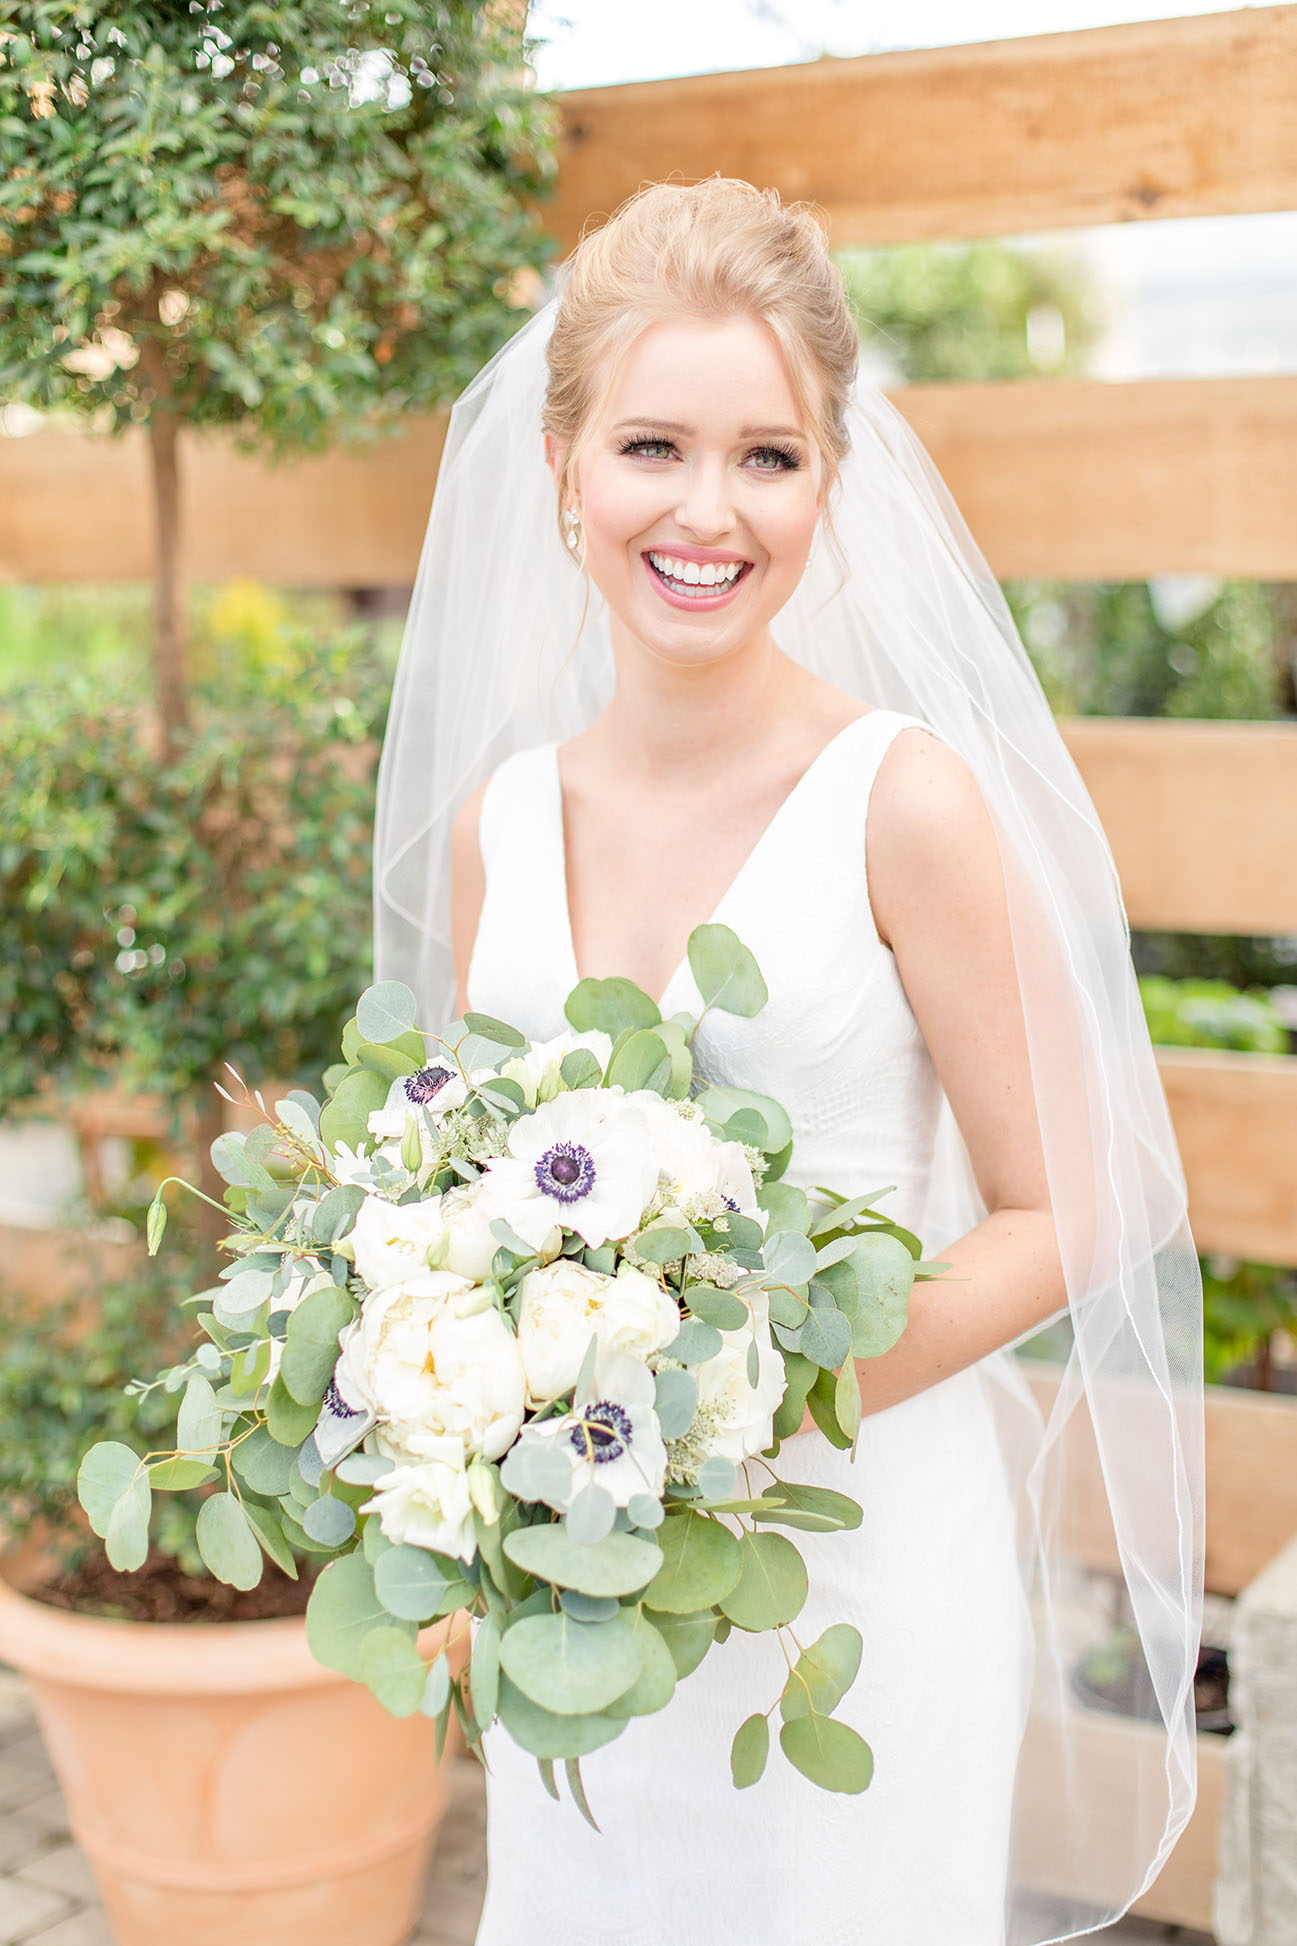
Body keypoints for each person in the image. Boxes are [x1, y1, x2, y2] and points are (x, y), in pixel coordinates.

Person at [374, 179, 1203, 1945]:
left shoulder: (900, 801)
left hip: (851, 1584)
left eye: (767, 455)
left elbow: (1090, 1195)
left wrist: (753, 1396)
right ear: (560, 465)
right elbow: (466, 1206)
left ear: (833, 478)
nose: (704, 508)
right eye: (652, 444)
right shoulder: (496, 829)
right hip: (580, 1594)